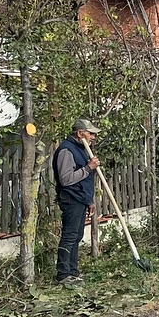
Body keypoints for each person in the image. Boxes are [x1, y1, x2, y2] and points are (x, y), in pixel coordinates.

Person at [53, 118, 100, 286]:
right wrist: (89, 168)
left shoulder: (80, 149)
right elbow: (66, 179)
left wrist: (89, 200)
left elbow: (84, 181)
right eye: (90, 133)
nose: (93, 137)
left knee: (77, 235)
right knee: (70, 236)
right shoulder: (67, 150)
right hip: (70, 199)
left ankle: (73, 272)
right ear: (80, 133)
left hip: (80, 199)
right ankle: (63, 274)